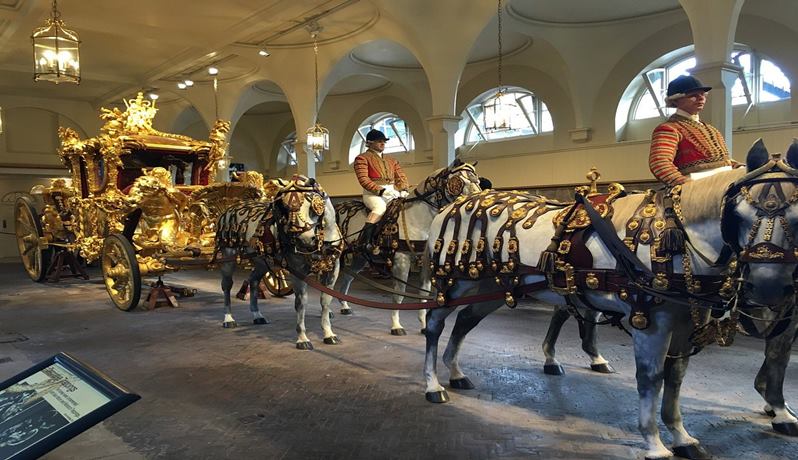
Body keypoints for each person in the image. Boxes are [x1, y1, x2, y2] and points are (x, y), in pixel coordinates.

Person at [649, 75, 740, 186]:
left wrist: (741, 167)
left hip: (725, 183)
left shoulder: (712, 129)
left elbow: (722, 161)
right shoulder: (669, 129)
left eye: (703, 94)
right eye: (693, 96)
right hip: (699, 188)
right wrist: (687, 185)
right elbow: (659, 163)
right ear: (676, 100)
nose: (701, 98)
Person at [354, 129, 409, 247]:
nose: (383, 143)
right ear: (369, 143)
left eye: (384, 141)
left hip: (392, 191)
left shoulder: (392, 160)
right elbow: (364, 179)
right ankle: (365, 242)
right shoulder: (362, 158)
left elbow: (400, 176)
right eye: (379, 141)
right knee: (380, 208)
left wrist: (404, 189)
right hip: (372, 194)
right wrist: (381, 191)